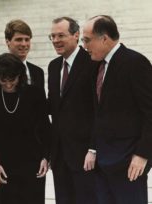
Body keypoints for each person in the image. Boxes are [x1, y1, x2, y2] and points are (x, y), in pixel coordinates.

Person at [82, 15, 152, 204]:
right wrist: (93, 148)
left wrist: (142, 154)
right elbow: (100, 113)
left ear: (104, 38)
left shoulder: (135, 63)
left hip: (129, 163)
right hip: (103, 163)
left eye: (87, 40)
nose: (84, 45)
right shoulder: (97, 66)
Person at [0, 53, 50, 204]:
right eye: (4, 80)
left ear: (20, 76)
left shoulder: (35, 93)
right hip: (4, 164)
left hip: (32, 162)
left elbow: (45, 127)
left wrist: (46, 156)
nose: (8, 84)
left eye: (12, 79)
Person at [47, 17, 98, 204]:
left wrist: (93, 148)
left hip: (85, 155)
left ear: (76, 35)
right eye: (52, 36)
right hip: (60, 156)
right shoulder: (53, 67)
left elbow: (97, 110)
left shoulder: (92, 62)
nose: (55, 40)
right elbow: (54, 106)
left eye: (61, 35)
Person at [0, 19, 44, 92]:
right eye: (19, 40)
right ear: (7, 42)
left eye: (27, 39)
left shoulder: (38, 72)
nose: (24, 44)